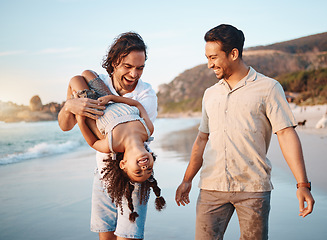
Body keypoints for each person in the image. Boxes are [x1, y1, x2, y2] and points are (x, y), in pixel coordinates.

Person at [175, 24, 315, 240]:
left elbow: (286, 134)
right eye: (207, 57)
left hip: (253, 187)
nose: (209, 64)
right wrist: (187, 179)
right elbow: (202, 139)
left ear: (233, 54)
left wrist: (303, 184)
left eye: (213, 57)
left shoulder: (268, 88)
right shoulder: (210, 94)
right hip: (211, 187)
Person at [58, 32, 163, 240]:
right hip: (103, 172)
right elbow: (64, 125)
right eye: (128, 66)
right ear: (115, 62)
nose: (134, 74)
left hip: (131, 173)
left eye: (140, 68)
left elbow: (96, 136)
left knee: (128, 235)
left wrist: (83, 117)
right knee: (81, 76)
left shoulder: (146, 94)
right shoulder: (102, 81)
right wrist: (70, 105)